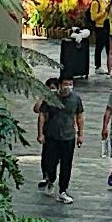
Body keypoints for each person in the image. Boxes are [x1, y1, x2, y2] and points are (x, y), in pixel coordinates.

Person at [35, 76, 83, 204]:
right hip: (52, 136)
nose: (68, 87)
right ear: (60, 85)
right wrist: (40, 134)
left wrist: (80, 134)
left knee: (66, 165)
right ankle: (50, 178)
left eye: (71, 84)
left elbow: (79, 116)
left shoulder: (75, 99)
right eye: (66, 84)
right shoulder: (51, 98)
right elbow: (42, 115)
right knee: (51, 162)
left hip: (68, 137)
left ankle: (63, 190)